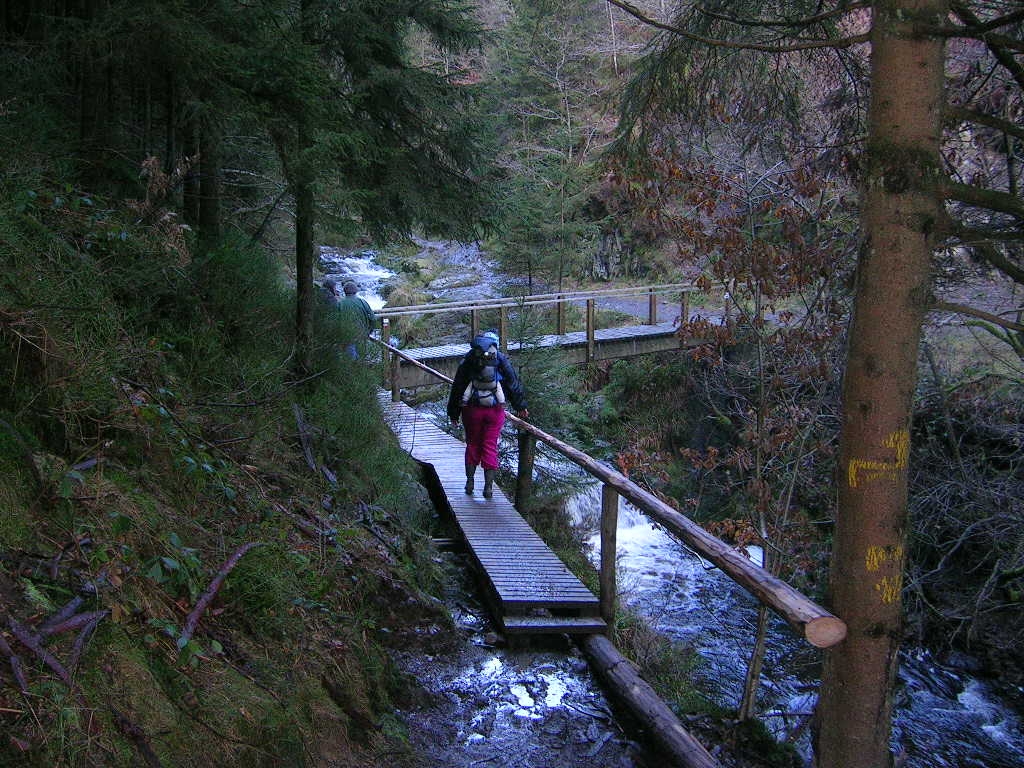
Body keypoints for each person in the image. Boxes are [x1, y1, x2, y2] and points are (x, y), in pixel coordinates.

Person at [447, 331, 529, 499]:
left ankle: (470, 483)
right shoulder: (500, 358)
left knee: (472, 444)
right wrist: (521, 406)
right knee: (490, 446)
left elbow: (458, 387)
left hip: (471, 410)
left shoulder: (469, 358)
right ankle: (488, 488)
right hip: (495, 411)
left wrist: (453, 413)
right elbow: (513, 382)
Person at [339, 280, 376, 359]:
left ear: (345, 291)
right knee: (362, 358)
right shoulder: (362, 302)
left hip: (347, 336)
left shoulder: (340, 303)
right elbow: (373, 318)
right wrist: (369, 331)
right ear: (356, 291)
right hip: (362, 334)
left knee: (350, 360)